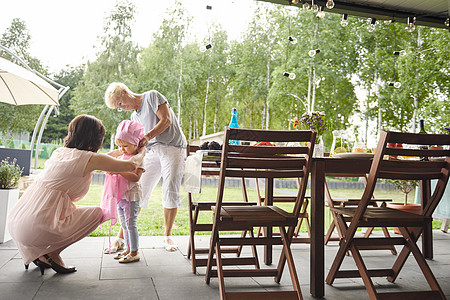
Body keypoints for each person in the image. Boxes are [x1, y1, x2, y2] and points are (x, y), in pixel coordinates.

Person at [7, 114, 145, 275]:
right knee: (98, 213)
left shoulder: (60, 152)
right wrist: (142, 151)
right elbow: (130, 165)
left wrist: (118, 151)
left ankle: (41, 254)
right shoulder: (89, 159)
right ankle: (51, 254)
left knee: (75, 211)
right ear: (96, 138)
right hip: (36, 225)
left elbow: (103, 159)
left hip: (17, 220)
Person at [104, 82, 186, 251]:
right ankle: (121, 238)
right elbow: (136, 143)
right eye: (118, 108)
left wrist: (148, 136)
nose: (122, 108)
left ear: (125, 92)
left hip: (173, 147)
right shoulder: (135, 117)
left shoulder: (152, 96)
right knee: (138, 188)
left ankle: (168, 236)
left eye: (120, 103)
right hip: (152, 150)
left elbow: (166, 120)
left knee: (170, 187)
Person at [102, 120, 145, 263]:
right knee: (124, 224)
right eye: (119, 146)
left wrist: (119, 171)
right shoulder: (122, 155)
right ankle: (128, 248)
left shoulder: (137, 159)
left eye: (125, 145)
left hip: (131, 196)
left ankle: (134, 252)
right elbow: (105, 157)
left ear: (136, 143)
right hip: (121, 196)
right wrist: (117, 152)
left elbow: (136, 177)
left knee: (131, 223)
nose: (122, 149)